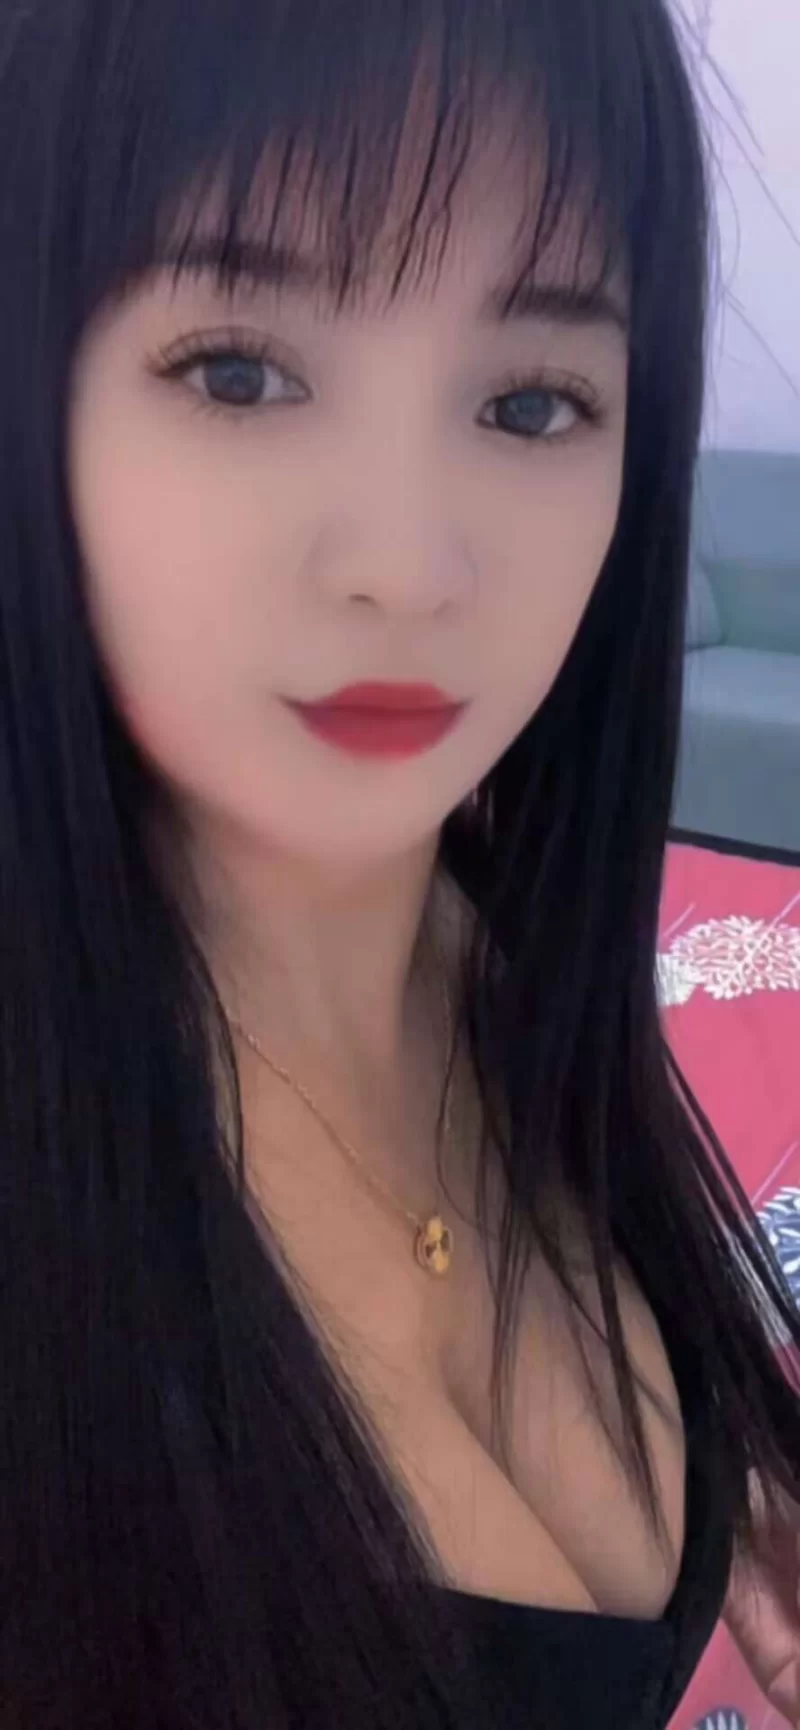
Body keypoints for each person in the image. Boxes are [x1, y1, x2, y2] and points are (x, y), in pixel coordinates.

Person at [0, 0, 797, 1726]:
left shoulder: (513, 931)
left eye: (530, 400)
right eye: (239, 372)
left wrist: (734, 1485)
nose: (412, 565)